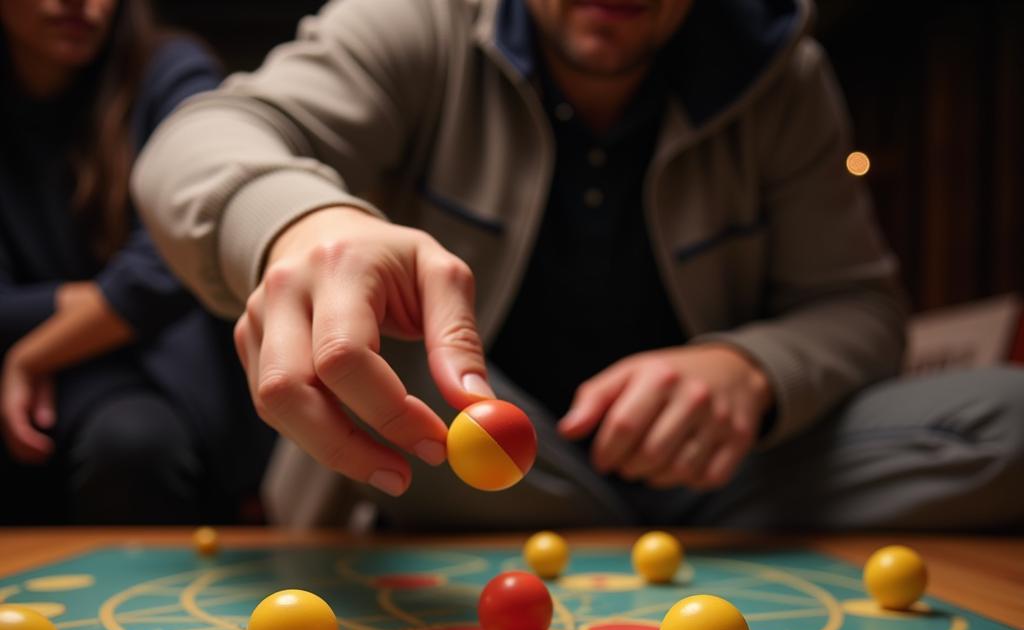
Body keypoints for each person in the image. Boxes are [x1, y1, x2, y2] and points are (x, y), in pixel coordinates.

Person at [132, 0, 1024, 531]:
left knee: (1007, 413)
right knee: (366, 351)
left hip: (715, 481)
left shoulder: (784, 76)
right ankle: (602, 529)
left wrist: (751, 370)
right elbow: (193, 141)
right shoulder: (419, 22)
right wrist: (304, 223)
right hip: (467, 468)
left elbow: (863, 308)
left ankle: (597, 526)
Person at [0, 0, 272, 525]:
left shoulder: (172, 72)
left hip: (158, 384)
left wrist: (32, 354)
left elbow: (182, 253)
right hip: (40, 381)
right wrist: (98, 303)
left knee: (133, 442)